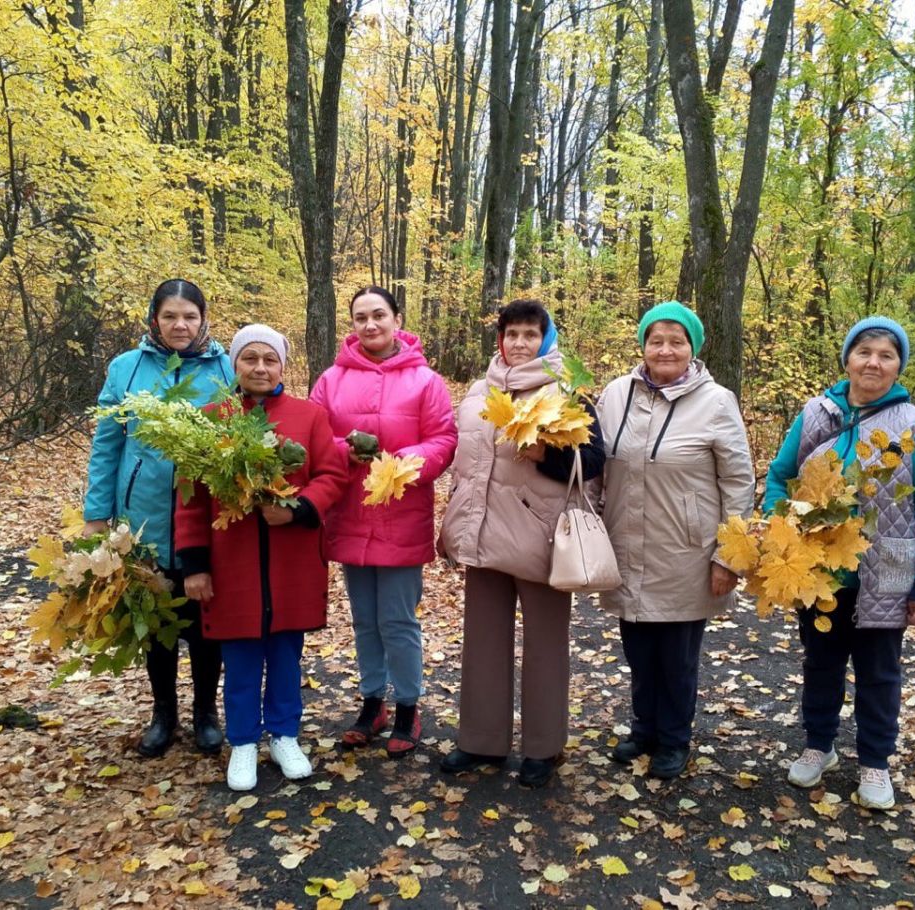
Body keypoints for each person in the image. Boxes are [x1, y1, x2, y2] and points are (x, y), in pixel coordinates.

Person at [764, 316, 915, 810]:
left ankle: (874, 762)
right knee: (820, 663)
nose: (873, 361)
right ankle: (818, 746)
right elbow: (780, 477)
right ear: (847, 359)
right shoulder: (816, 415)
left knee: (879, 672)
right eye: (864, 351)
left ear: (897, 368)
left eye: (886, 355)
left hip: (885, 573)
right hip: (818, 570)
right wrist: (780, 526)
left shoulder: (912, 426)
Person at [438, 300, 606, 788]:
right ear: (500, 340)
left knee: (545, 646)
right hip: (484, 536)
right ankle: (481, 742)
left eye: (530, 334)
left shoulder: (567, 392)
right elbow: (466, 466)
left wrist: (544, 456)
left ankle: (542, 748)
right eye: (511, 334)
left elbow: (593, 461)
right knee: (483, 644)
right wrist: (452, 522)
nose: (519, 343)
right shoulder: (476, 393)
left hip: (541, 537)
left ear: (545, 340)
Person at [175, 325, 346, 791]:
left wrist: (297, 508)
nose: (260, 367)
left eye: (269, 359)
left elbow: (332, 475)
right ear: (235, 364)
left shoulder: (308, 417)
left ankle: (285, 734)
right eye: (250, 358)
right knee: (242, 656)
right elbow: (189, 499)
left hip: (291, 561)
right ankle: (245, 741)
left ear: (282, 367)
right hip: (232, 564)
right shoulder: (211, 419)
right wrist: (195, 565)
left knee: (287, 656)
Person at [596, 301, 755, 780]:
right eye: (656, 340)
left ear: (693, 348)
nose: (665, 350)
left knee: (677, 654)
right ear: (643, 344)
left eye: (676, 341)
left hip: (687, 550)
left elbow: (738, 482)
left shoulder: (716, 401)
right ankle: (644, 728)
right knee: (638, 647)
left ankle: (674, 738)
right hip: (626, 541)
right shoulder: (616, 393)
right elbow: (595, 461)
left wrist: (730, 556)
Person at [83, 278, 233, 758]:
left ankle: (206, 714)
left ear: (203, 319)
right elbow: (107, 446)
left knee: (206, 621)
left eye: (189, 316)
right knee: (156, 622)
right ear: (155, 319)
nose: (180, 325)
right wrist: (97, 515)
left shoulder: (226, 368)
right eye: (170, 316)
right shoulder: (127, 369)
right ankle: (163, 713)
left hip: (206, 520)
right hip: (142, 520)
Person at [309, 287, 457, 757]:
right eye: (360, 318)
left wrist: (405, 461)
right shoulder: (330, 380)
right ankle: (373, 703)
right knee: (365, 621)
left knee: (397, 619)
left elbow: (443, 439)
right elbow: (314, 438)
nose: (370, 325)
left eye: (379, 315)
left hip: (401, 514)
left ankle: (409, 708)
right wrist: (342, 451)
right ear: (351, 324)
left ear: (397, 319)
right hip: (350, 511)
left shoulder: (426, 381)